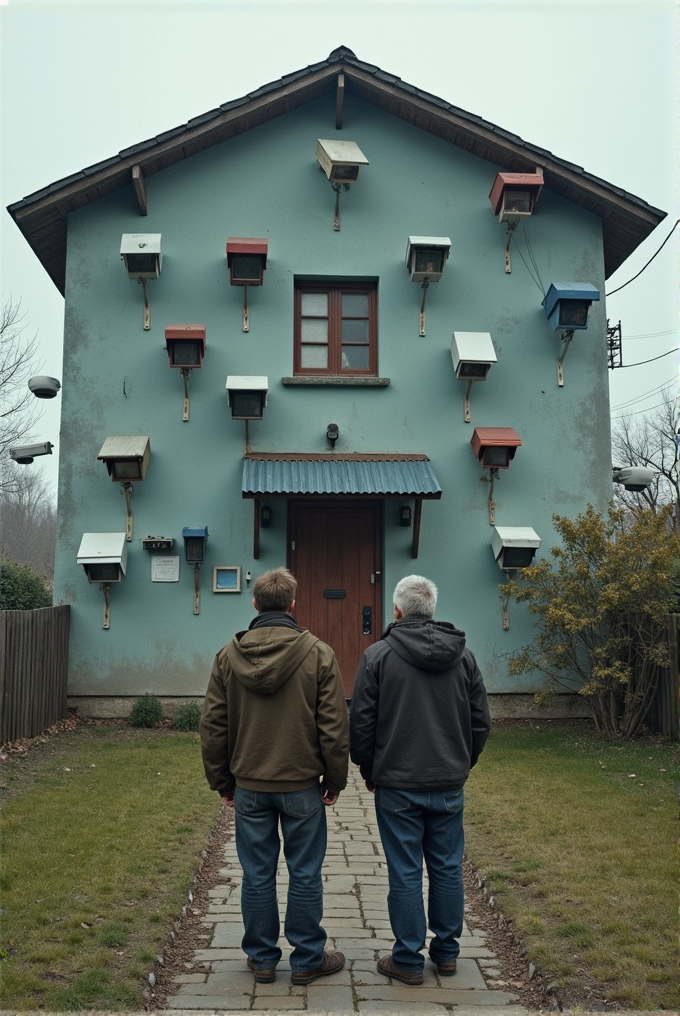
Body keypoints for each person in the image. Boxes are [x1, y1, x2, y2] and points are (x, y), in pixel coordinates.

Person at [200, 567, 349, 986]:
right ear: (293, 605)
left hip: (248, 785)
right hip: (301, 785)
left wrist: (222, 781)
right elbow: (334, 726)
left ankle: (262, 959)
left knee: (257, 872)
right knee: (305, 872)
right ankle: (307, 960)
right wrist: (335, 779)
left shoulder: (227, 657)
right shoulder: (319, 653)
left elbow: (212, 724)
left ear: (255, 604)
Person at [349, 574, 491, 986]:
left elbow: (361, 723)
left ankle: (407, 959)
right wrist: (462, 762)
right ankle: (447, 954)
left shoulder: (377, 656)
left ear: (397, 611)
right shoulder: (463, 657)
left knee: (405, 870)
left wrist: (367, 769)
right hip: (448, 780)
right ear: (431, 610)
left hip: (397, 783)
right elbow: (480, 721)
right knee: (447, 867)